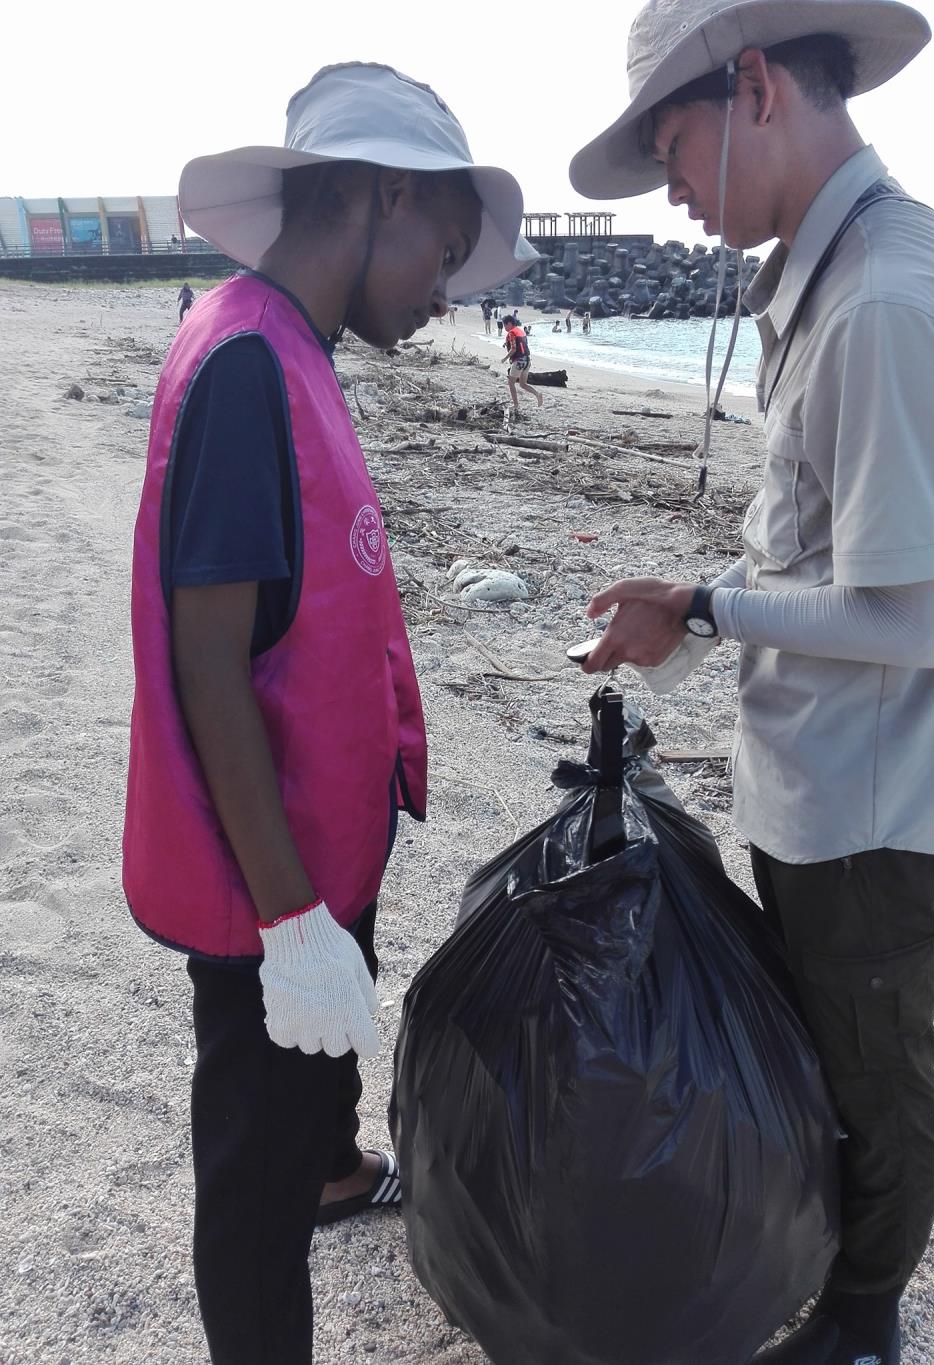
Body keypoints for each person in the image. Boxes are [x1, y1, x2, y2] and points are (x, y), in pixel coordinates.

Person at [570, 4, 934, 1364]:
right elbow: (824, 551)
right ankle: (839, 1274)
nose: (677, 199)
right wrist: (696, 616)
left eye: (673, 155)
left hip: (873, 803)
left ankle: (871, 1317)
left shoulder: (884, 299)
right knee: (830, 1052)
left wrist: (707, 604)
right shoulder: (840, 279)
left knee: (875, 1073)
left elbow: (916, 614)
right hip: (833, 775)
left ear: (754, 87)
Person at [123, 61, 530, 1365]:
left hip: (306, 865)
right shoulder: (245, 359)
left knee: (293, 1149)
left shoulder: (293, 344)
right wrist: (297, 925)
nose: (446, 293)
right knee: (252, 1195)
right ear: (383, 195)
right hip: (265, 888)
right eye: (445, 254)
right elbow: (209, 658)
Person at [502, 312, 542, 415]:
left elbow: (514, 348)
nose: (504, 327)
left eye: (505, 325)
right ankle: (537, 394)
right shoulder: (521, 331)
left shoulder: (511, 332)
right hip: (527, 360)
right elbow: (522, 345)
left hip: (519, 361)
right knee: (523, 384)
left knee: (511, 383)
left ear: (509, 323)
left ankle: (516, 406)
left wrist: (505, 358)